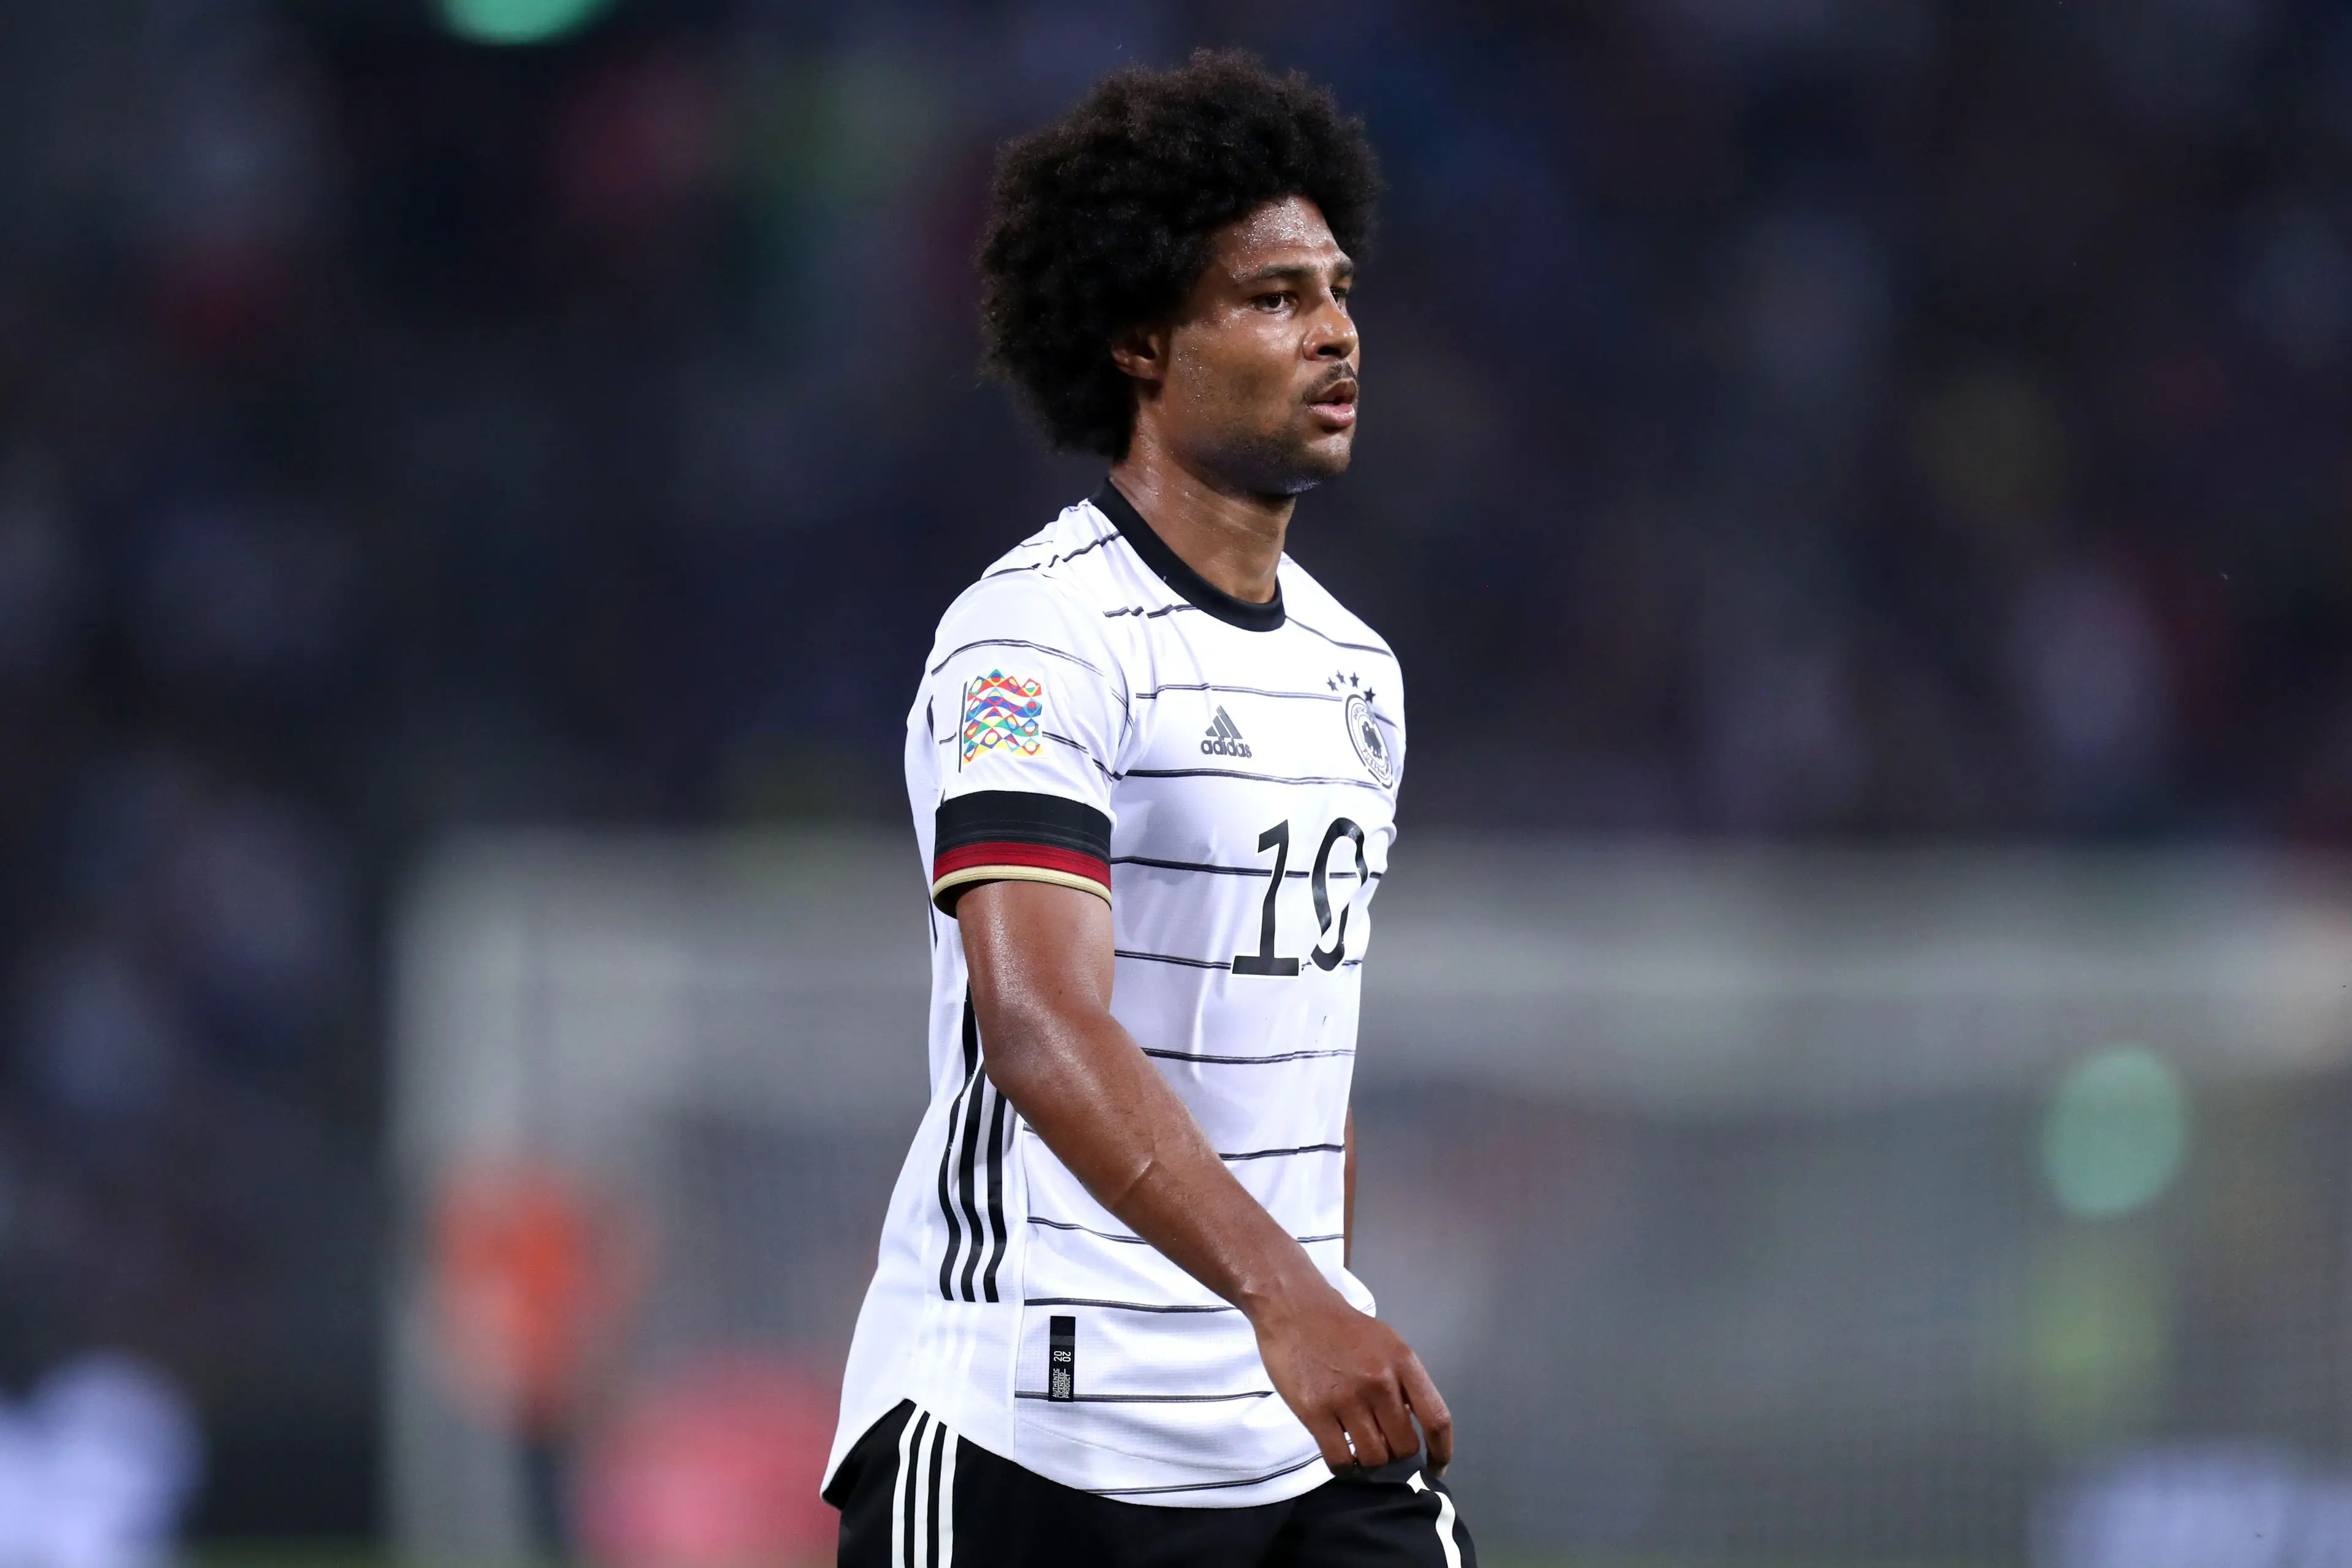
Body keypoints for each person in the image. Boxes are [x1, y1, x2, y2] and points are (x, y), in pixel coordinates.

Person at [823, 49, 1473, 1568]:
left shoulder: (1356, 673)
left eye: (1338, 287)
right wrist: (1290, 1297)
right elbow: (1040, 1026)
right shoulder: (1035, 638)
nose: (1335, 334)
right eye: (1271, 296)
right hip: (1028, 1435)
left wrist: (1319, 1290)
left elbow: (1307, 1055)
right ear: (1135, 340)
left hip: (1288, 1431)